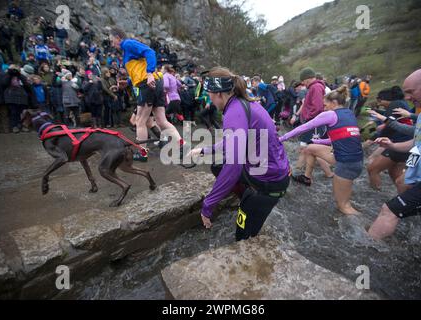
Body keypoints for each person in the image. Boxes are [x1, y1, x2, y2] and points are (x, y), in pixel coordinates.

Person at [188, 67, 291, 241]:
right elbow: (232, 142)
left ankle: (249, 201)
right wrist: (204, 150)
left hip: (269, 183)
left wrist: (208, 204)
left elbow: (233, 166)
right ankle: (245, 197)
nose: (210, 99)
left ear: (219, 94)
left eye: (210, 95)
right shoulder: (240, 103)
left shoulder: (234, 112)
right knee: (217, 166)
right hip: (269, 169)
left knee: (242, 236)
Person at [368, 68, 421, 240]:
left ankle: (365, 254)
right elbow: (417, 143)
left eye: (410, 92)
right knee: (402, 182)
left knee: (389, 210)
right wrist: (392, 145)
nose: (407, 98)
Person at [280, 85, 363, 215]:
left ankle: (368, 232)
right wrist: (318, 141)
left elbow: (304, 127)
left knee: (344, 206)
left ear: (334, 103)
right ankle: (307, 178)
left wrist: (282, 138)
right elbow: (337, 138)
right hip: (353, 160)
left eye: (325, 105)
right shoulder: (349, 113)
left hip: (346, 163)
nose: (323, 108)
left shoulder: (330, 115)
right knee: (310, 148)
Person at [110, 27, 185, 162]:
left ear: (118, 37)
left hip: (148, 83)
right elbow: (138, 71)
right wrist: (127, 82)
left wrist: (150, 73)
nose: (111, 44)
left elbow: (149, 52)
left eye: (112, 40)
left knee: (140, 121)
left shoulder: (127, 44)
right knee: (161, 120)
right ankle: (181, 145)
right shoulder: (127, 49)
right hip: (155, 82)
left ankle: (142, 153)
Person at [366, 87, 413, 192]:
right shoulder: (401, 103)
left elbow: (389, 125)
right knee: (395, 173)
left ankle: (375, 193)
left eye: (380, 100)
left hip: (400, 143)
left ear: (385, 98)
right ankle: (404, 195)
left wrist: (379, 137)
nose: (380, 103)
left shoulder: (393, 105)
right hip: (408, 143)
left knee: (372, 169)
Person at [291, 67, 333, 183]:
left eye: (303, 81)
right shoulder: (315, 87)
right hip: (313, 123)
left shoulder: (316, 87)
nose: (303, 83)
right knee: (311, 149)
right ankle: (326, 173)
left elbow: (318, 107)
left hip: (313, 123)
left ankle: (296, 171)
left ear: (308, 78)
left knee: (306, 148)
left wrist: (309, 119)